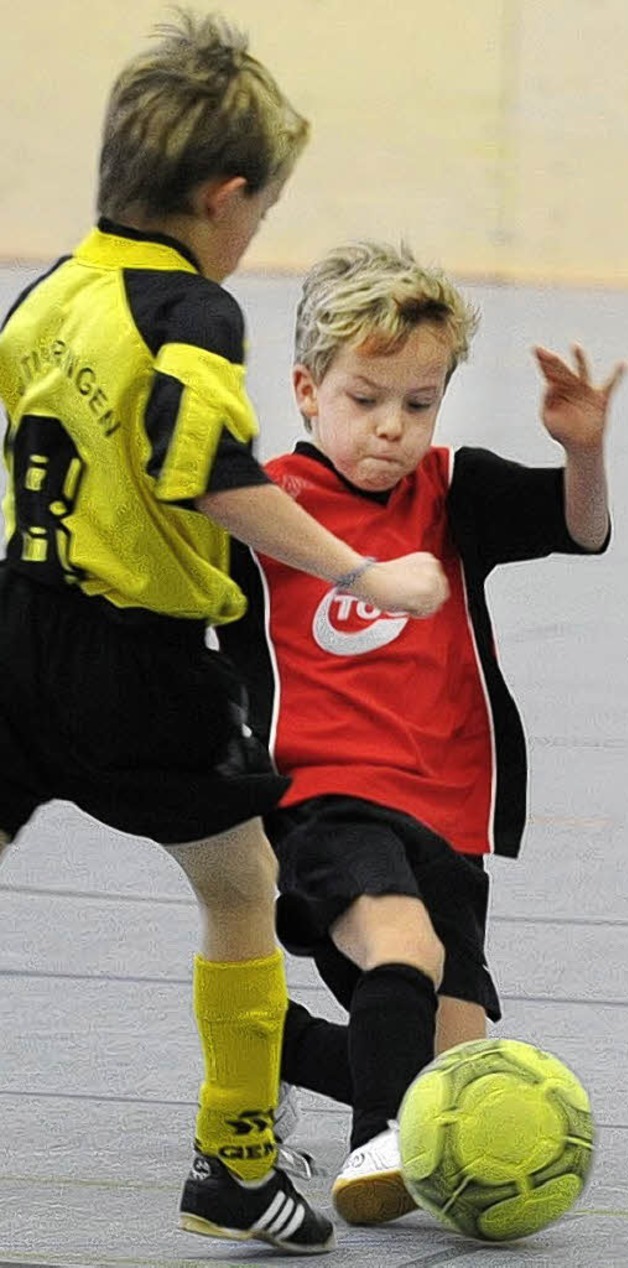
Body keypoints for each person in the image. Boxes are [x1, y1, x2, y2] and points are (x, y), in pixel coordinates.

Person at [0, 20, 450, 1254]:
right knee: (241, 880)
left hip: (17, 619)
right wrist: (363, 565)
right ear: (226, 196)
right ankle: (237, 1160)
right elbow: (200, 464)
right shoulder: (185, 308)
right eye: (259, 215)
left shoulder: (54, 286)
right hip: (138, 657)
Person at [220, 239, 626, 1225]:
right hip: (322, 797)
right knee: (404, 947)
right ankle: (374, 1150)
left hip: (447, 809)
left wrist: (582, 450)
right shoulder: (260, 513)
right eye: (367, 399)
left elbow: (581, 529)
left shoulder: (452, 490)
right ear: (308, 389)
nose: (393, 426)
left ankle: (266, 1041)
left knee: (453, 1072)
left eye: (419, 401)